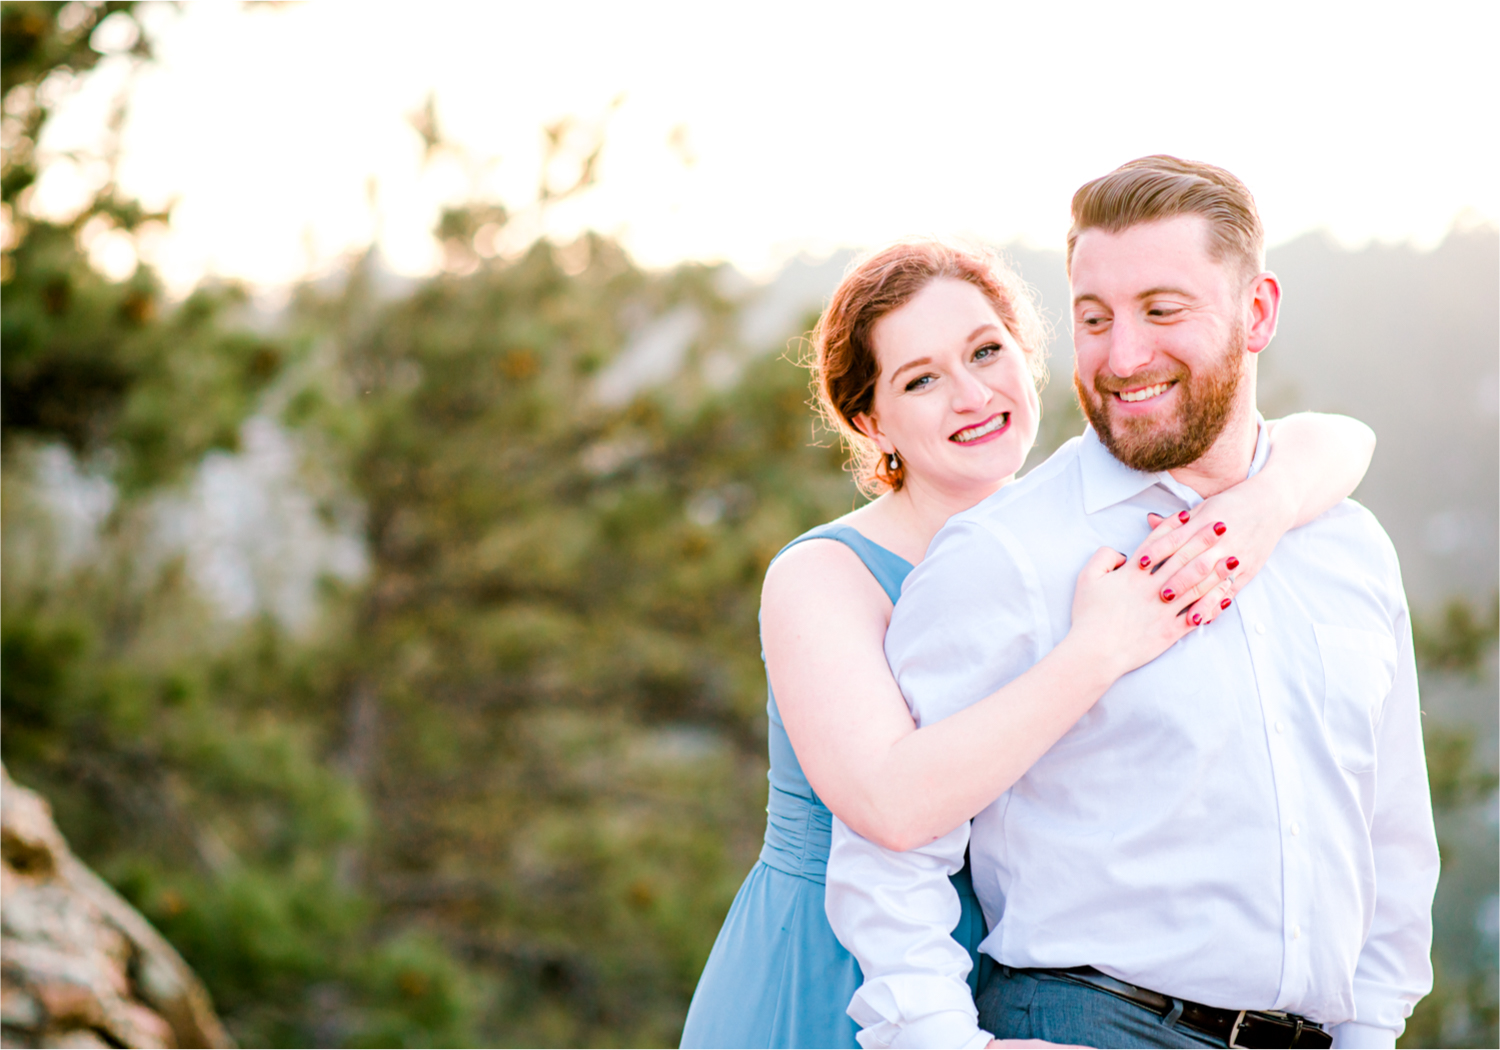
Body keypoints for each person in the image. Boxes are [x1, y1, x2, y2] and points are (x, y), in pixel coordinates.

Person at [679, 231, 1379, 1049]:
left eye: (986, 351)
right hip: (835, 968)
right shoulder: (825, 576)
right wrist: (1098, 650)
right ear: (872, 419)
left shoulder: (1055, 535)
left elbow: (1340, 439)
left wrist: (1273, 500)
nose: (972, 395)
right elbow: (889, 805)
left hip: (1002, 966)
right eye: (922, 379)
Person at [823, 156, 1440, 1050]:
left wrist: (1374, 1029)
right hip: (1088, 1023)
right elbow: (891, 851)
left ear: (1257, 312)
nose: (1123, 357)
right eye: (1094, 318)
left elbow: (1389, 830)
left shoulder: (1348, 548)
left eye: (1162, 310)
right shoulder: (1005, 552)